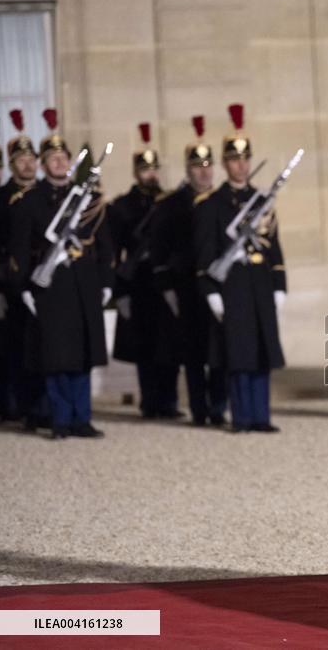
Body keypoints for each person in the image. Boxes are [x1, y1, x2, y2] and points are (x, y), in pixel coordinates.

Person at [9, 108, 114, 438]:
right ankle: (60, 419)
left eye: (62, 157)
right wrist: (23, 286)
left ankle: (81, 418)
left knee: (81, 355)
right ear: (42, 164)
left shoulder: (88, 199)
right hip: (49, 286)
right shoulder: (29, 202)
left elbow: (106, 247)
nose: (58, 162)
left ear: (70, 161)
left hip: (82, 284)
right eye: (51, 158)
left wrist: (107, 282)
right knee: (54, 358)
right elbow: (20, 249)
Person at [193, 103, 287, 432]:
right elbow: (204, 256)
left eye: (245, 158)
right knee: (238, 356)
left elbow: (274, 246)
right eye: (234, 159)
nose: (241, 165)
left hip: (260, 283)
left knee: (261, 352)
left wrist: (279, 285)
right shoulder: (212, 205)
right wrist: (211, 293)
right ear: (225, 163)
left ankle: (261, 416)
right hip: (231, 287)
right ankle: (242, 417)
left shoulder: (261, 201)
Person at [149, 115, 227, 426]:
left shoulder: (223, 201)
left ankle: (219, 407)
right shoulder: (170, 205)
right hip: (186, 288)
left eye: (208, 166)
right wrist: (168, 289)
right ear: (188, 169)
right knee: (193, 353)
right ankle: (199, 408)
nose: (204, 171)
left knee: (220, 352)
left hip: (218, 285)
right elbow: (160, 251)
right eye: (197, 166)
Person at [108, 123, 181, 419]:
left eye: (154, 169)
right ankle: (150, 402)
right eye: (144, 170)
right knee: (146, 348)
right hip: (138, 286)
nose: (150, 175)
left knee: (171, 346)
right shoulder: (122, 207)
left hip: (164, 282)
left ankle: (170, 402)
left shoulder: (170, 203)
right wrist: (120, 292)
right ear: (136, 172)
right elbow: (115, 255)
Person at [0, 109, 42, 425]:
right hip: (10, 283)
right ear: (11, 164)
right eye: (21, 160)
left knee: (45, 346)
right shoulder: (2, 199)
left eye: (32, 158)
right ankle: (17, 404)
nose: (28, 164)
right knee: (14, 347)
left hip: (43, 281)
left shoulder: (47, 194)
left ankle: (42, 406)